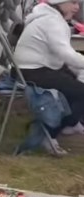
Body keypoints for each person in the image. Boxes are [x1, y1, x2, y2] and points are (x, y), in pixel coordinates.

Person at [15, 0, 84, 134]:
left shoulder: (51, 17)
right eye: (73, 2)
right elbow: (66, 54)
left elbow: (64, 57)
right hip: (32, 71)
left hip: (34, 68)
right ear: (59, 2)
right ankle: (50, 131)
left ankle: (73, 121)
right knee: (80, 91)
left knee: (75, 81)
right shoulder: (51, 21)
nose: (77, 7)